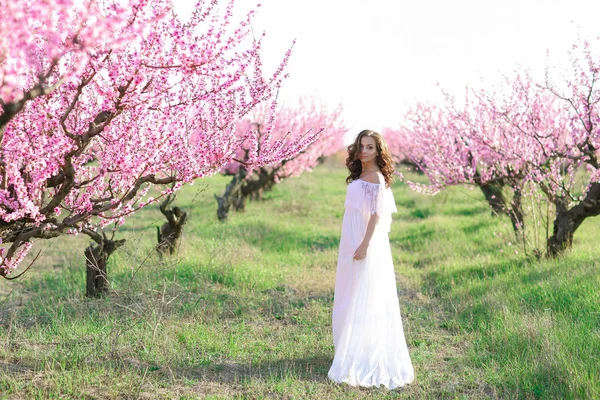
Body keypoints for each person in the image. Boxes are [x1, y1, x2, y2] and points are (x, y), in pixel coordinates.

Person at [328, 129, 415, 389]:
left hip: (363, 242)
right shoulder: (360, 175)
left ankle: (362, 352)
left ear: (378, 152)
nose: (364, 151)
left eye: (370, 147)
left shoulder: (376, 178)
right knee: (348, 291)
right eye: (361, 146)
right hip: (351, 238)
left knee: (363, 294)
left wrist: (364, 245)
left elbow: (376, 215)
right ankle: (348, 345)